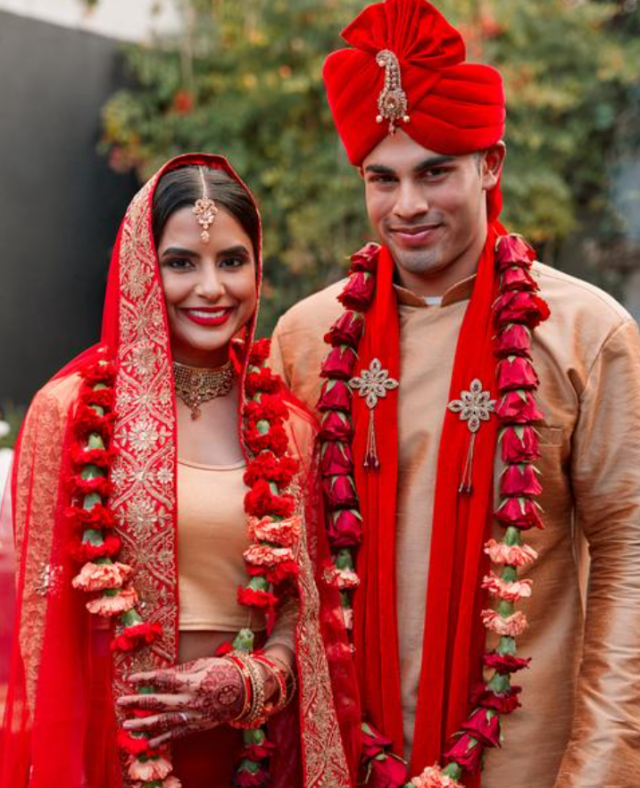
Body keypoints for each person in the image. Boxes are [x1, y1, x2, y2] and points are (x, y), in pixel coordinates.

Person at [269, 1, 640, 787]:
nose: (408, 205)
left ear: (491, 165)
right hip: (346, 751)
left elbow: (627, 550)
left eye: (435, 171)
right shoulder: (307, 339)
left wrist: (603, 761)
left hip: (529, 757)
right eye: (383, 177)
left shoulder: (582, 332)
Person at [0, 153, 358, 788]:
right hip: (115, 751)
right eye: (181, 262)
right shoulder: (75, 412)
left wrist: (252, 681)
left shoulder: (286, 429)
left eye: (231, 260)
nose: (212, 288)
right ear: (143, 267)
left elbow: (304, 616)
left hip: (244, 750)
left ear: (257, 266)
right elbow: (41, 631)